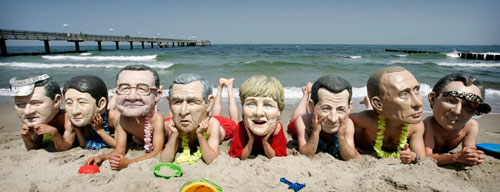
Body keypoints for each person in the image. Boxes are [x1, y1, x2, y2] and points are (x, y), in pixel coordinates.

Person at [84, 65, 164, 170]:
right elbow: (119, 150)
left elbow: (157, 151)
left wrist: (129, 162)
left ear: (157, 95)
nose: (132, 97)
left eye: (142, 89)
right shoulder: (122, 119)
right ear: (116, 92)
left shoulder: (156, 119)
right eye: (125, 88)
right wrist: (101, 157)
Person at [350, 66, 426, 164]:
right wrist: (350, 144)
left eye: (416, 90)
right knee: (369, 111)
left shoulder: (416, 126)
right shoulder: (367, 119)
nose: (418, 103)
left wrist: (413, 156)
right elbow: (344, 121)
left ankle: (368, 103)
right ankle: (368, 103)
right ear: (378, 104)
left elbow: (421, 156)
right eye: (404, 94)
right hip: (373, 116)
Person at [160, 74, 236, 164]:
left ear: (209, 103)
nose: (183, 112)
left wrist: (200, 135)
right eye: (177, 102)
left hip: (221, 124)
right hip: (198, 117)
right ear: (169, 103)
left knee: (235, 122)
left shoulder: (213, 125)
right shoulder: (170, 125)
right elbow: (165, 160)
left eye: (192, 102)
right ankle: (219, 87)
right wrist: (174, 135)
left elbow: (211, 159)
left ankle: (228, 88)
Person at [424, 73, 490, 166]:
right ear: (433, 99)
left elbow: (469, 151)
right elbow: (425, 156)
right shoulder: (428, 125)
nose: (457, 111)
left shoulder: (470, 126)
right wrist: (456, 157)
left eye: (468, 106)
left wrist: (472, 156)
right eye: (451, 101)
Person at [288, 76, 358, 160]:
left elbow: (350, 157)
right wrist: (315, 132)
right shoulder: (303, 122)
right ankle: (306, 94)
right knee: (297, 117)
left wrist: (341, 136)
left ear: (349, 108)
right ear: (312, 106)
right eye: (326, 108)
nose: (333, 119)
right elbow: (307, 155)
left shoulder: (347, 124)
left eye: (340, 109)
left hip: (314, 112)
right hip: (302, 121)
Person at [10, 74, 75, 151]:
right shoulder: (38, 119)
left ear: (57, 101)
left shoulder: (67, 118)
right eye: (20, 104)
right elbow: (35, 147)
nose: (27, 112)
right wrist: (27, 138)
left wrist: (55, 133)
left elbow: (65, 148)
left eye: (36, 103)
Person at [228, 75, 287, 159]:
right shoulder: (242, 127)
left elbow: (276, 156)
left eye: (268, 105)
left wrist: (265, 142)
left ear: (279, 111)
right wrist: (250, 141)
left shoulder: (276, 128)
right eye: (251, 104)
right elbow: (240, 156)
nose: (259, 113)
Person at [63, 75, 117, 150]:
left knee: (109, 109)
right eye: (69, 103)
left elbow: (117, 145)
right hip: (97, 116)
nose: (74, 111)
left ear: (101, 103)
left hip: (105, 115)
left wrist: (99, 130)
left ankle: (116, 95)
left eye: (82, 102)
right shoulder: (84, 119)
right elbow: (83, 143)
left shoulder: (114, 117)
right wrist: (78, 131)